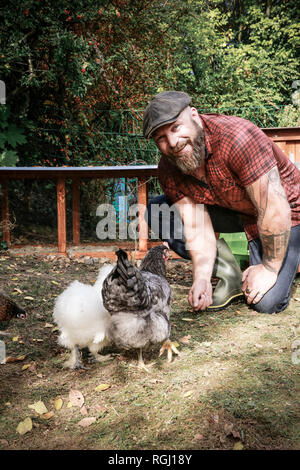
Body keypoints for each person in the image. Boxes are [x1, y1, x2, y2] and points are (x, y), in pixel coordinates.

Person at [143, 91, 300, 313]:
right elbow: (196, 226)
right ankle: (229, 270)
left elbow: (274, 207)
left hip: (287, 210)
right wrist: (202, 278)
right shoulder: (168, 170)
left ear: (194, 115)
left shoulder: (238, 137)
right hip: (236, 210)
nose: (173, 142)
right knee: (158, 211)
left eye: (176, 127)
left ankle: (285, 256)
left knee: (266, 302)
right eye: (161, 138)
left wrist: (268, 268)